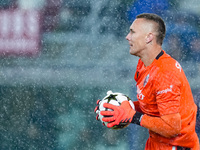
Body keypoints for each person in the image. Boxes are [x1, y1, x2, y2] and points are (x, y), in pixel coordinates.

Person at [95, 13, 199, 150]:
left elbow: (172, 127)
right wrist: (121, 107)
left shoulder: (165, 73)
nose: (127, 37)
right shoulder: (144, 64)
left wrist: (133, 116)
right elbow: (153, 106)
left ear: (149, 37)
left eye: (132, 32)